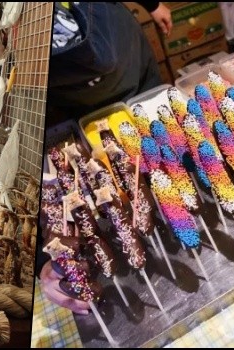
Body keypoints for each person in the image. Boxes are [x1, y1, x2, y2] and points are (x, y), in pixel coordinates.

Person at [40, 2, 173, 315]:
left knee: (152, 164)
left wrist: (152, 5)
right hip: (67, 102)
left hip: (125, 57)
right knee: (97, 188)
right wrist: (45, 262)